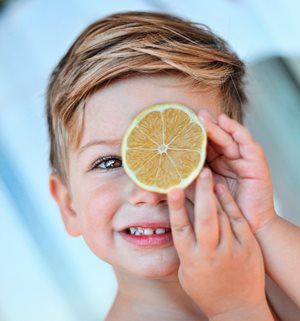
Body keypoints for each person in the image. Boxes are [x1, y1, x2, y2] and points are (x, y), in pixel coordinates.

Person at [46, 11, 300, 321]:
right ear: (68, 205)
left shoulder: (274, 279)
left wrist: (262, 223)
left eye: (188, 155)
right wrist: (236, 309)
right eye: (109, 162)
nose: (150, 191)